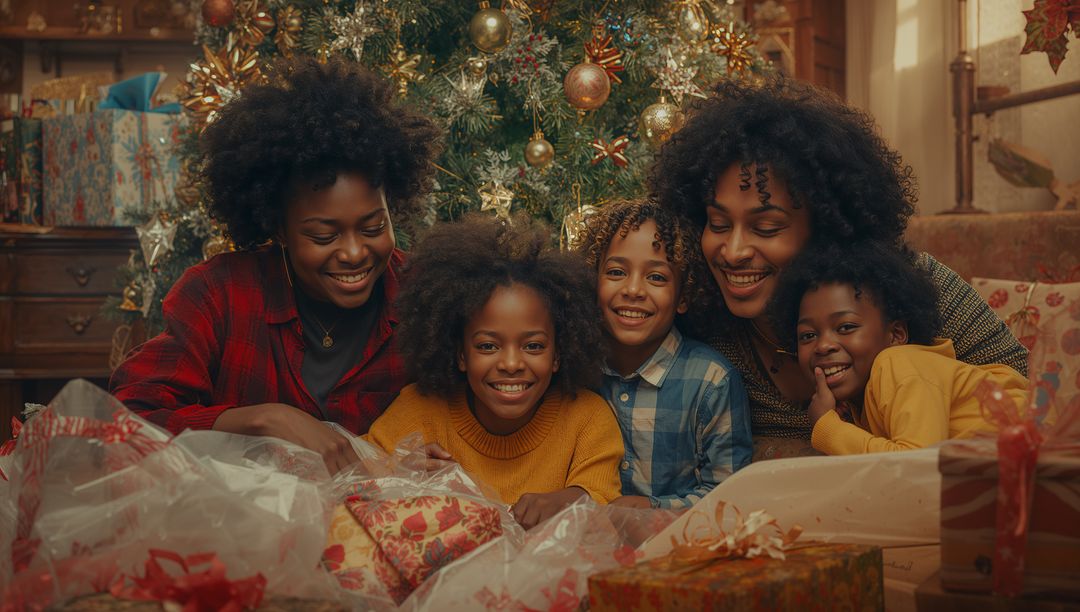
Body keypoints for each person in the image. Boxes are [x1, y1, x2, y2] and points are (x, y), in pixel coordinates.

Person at [650, 75, 1027, 442]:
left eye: (765, 228)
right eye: (717, 223)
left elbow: (1024, 388)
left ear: (826, 228)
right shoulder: (705, 325)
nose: (733, 251)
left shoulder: (903, 288)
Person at [110, 58, 441, 473]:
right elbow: (129, 418)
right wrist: (262, 420)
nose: (355, 252)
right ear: (278, 229)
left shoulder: (426, 298)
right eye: (324, 236)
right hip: (240, 527)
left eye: (374, 227)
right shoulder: (219, 295)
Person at [365, 214, 622, 529]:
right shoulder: (420, 412)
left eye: (533, 347)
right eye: (488, 347)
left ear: (558, 354)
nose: (511, 364)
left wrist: (573, 498)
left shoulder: (587, 420)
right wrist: (398, 472)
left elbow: (604, 505)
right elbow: (356, 478)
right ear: (461, 354)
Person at [769, 242, 1029, 454]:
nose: (823, 345)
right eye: (808, 335)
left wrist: (827, 427)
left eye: (846, 327)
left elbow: (913, 467)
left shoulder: (898, 365)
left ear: (896, 334)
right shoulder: (861, 401)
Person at [576, 200, 751, 509]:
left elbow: (730, 494)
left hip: (677, 548)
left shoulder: (712, 380)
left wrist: (652, 510)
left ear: (683, 296)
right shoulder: (576, 368)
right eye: (616, 272)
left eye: (656, 277)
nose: (633, 290)